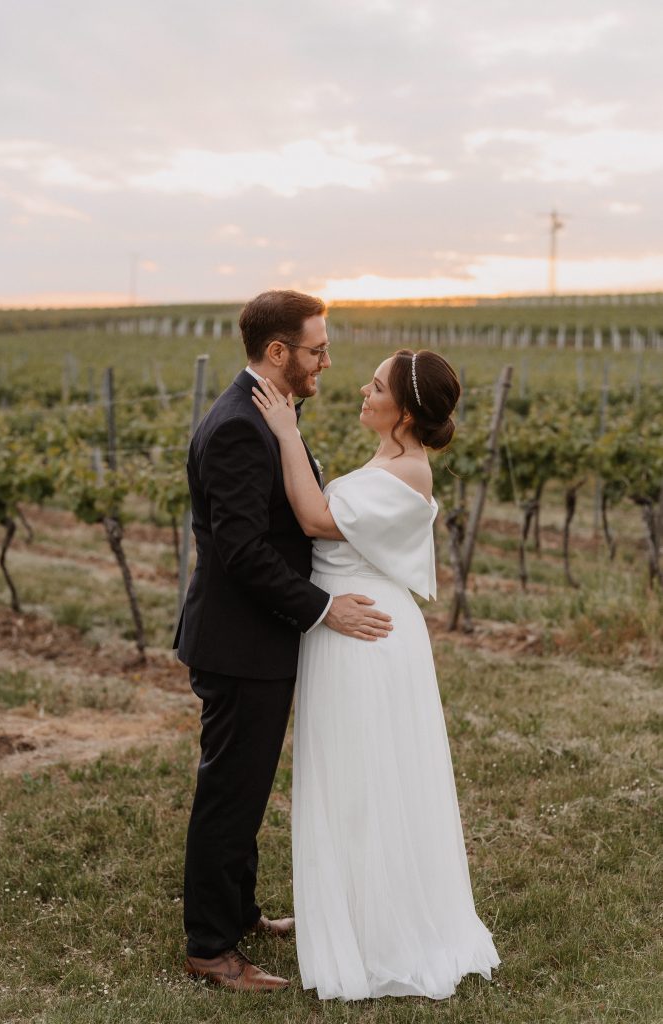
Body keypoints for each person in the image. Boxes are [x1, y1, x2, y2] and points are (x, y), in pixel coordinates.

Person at [251, 348, 501, 1000]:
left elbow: (316, 519)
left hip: (366, 634)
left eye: (378, 386)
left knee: (367, 777)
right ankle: (351, 913)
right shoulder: (389, 458)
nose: (364, 390)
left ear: (407, 412)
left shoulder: (411, 470)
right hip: (342, 626)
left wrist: (286, 432)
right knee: (350, 775)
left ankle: (380, 933)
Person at [173, 290, 393, 992]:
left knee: (246, 785)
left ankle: (239, 913)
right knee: (230, 793)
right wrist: (324, 609)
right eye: (316, 349)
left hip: (255, 639)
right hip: (240, 643)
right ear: (278, 352)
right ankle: (211, 949)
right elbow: (241, 550)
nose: (326, 361)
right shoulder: (241, 426)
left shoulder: (266, 412)